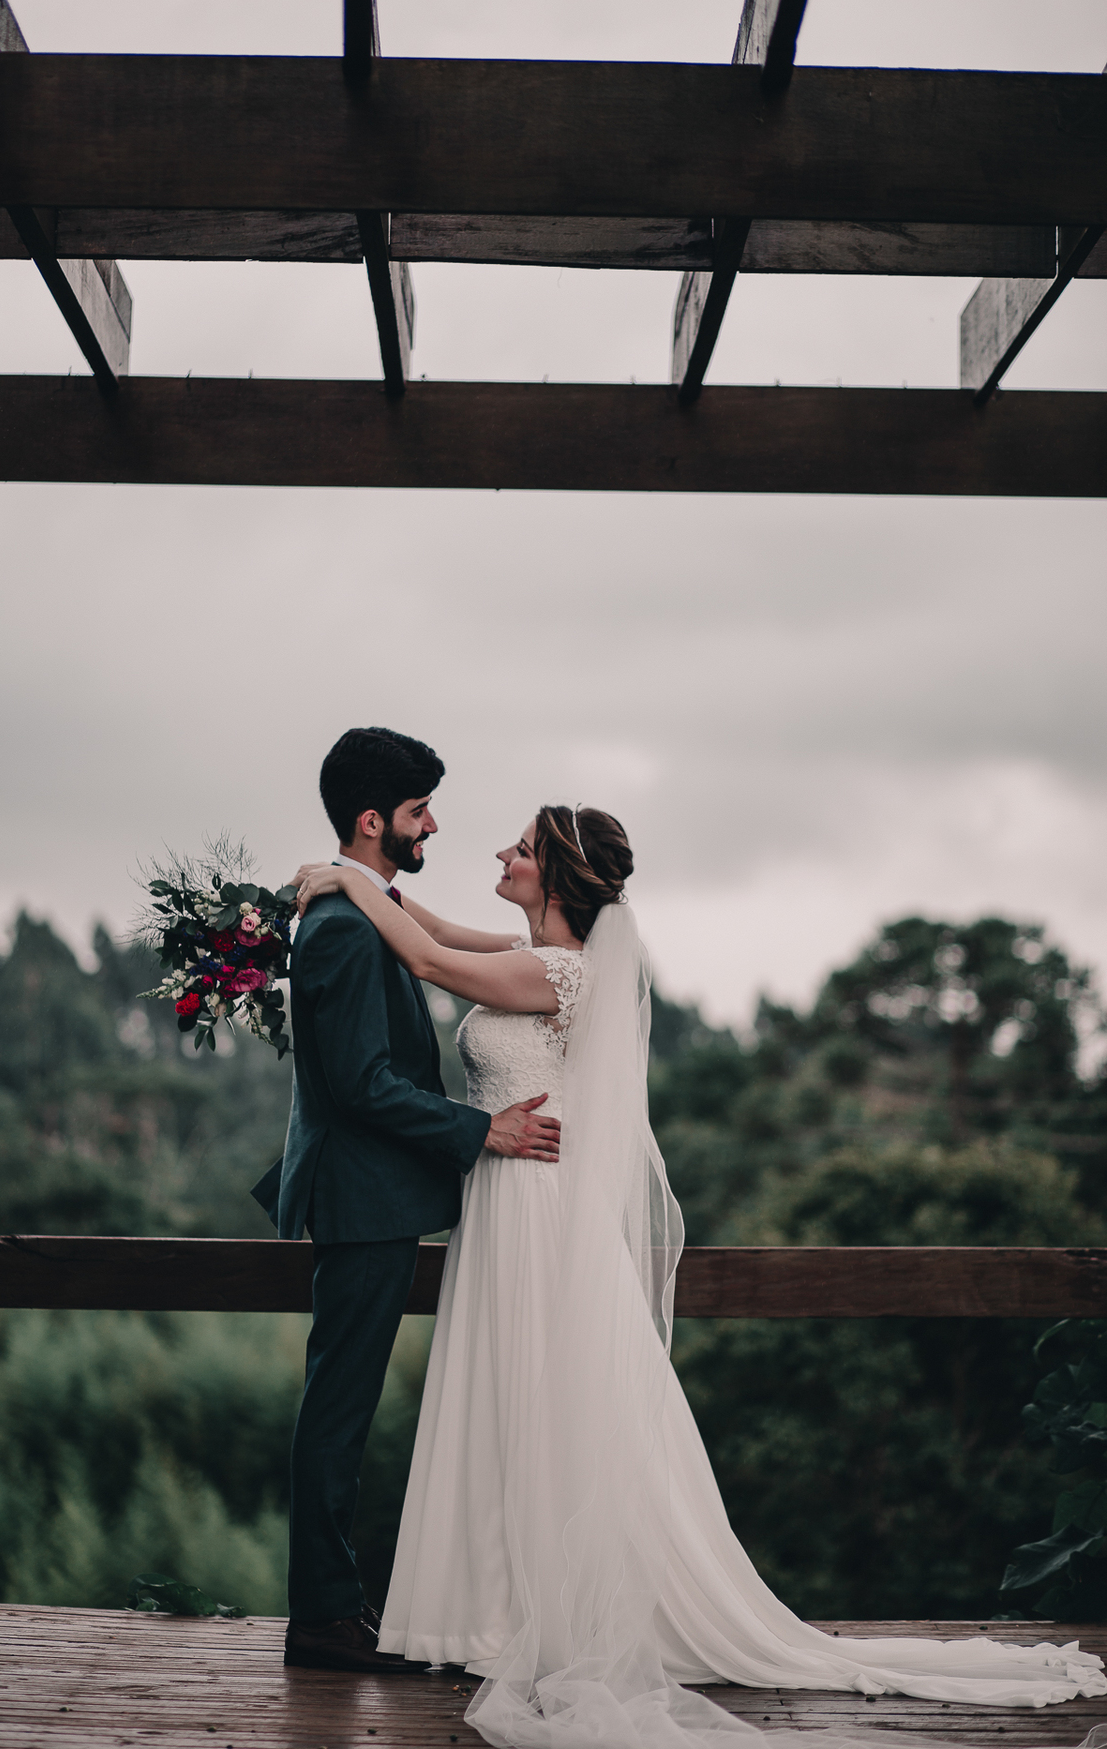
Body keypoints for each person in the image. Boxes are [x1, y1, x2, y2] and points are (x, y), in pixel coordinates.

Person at [294, 803, 1107, 1747]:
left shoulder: (556, 971)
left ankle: (521, 1613)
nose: (501, 854)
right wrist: (361, 883)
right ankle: (490, 1609)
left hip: (536, 1212)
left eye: (519, 848)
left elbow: (429, 963)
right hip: (507, 1207)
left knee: (537, 1396)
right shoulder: (537, 953)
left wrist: (351, 881)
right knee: (509, 1398)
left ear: (554, 876)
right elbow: (429, 931)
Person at [252, 728, 562, 1676]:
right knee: (338, 1409)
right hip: (364, 1200)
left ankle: (337, 1607)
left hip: (376, 1198)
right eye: (421, 809)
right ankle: (324, 1618)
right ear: (373, 819)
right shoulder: (345, 928)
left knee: (340, 1404)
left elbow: (431, 942)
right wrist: (485, 1133)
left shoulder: (367, 906)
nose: (434, 823)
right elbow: (360, 1085)